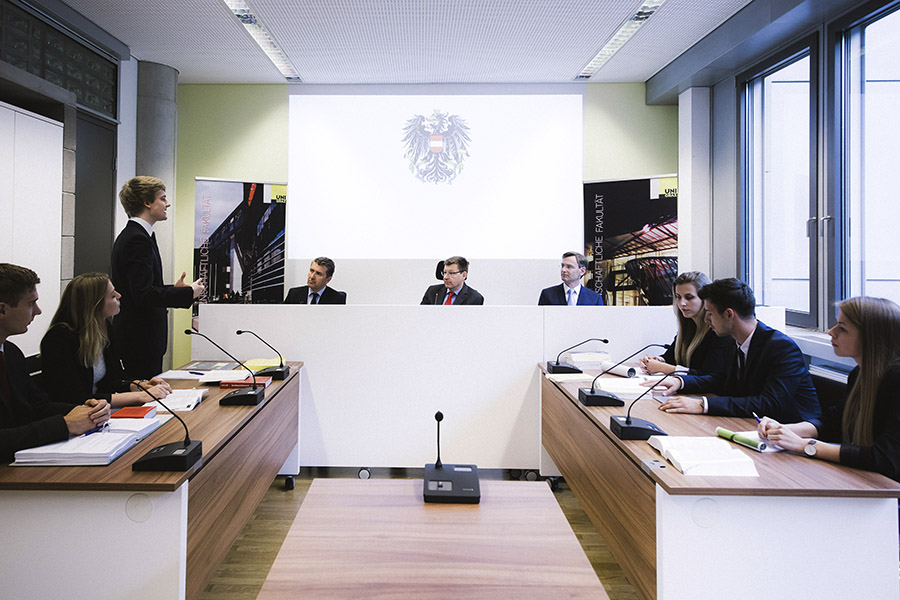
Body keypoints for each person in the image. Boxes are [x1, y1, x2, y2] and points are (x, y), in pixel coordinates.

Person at [759, 297, 900, 481]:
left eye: (842, 328)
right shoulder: (859, 374)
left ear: (871, 337)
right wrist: (784, 430)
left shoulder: (896, 378)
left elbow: (885, 458)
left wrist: (805, 446)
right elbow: (832, 423)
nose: (831, 332)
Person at [652, 278, 821, 425]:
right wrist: (681, 382)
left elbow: (770, 403)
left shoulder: (781, 348)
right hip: (750, 425)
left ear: (728, 314)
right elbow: (720, 380)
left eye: (709, 313)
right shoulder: (734, 342)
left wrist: (702, 404)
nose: (705, 319)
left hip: (791, 436)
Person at [0, 264, 109, 461]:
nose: (38, 311)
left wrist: (86, 409)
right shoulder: (57, 338)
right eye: (30, 304)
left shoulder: (11, 353)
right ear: (2, 309)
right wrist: (64, 424)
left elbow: (37, 406)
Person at [111, 176, 204, 379]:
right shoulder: (137, 239)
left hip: (142, 340)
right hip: (139, 341)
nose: (167, 203)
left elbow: (144, 287)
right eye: (162, 198)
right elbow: (143, 295)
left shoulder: (141, 235)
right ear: (147, 202)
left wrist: (175, 289)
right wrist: (188, 293)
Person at [40, 272, 173, 408]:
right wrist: (140, 396)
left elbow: (113, 380)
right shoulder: (58, 339)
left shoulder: (103, 328)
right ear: (95, 304)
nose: (119, 296)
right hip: (78, 417)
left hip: (102, 412)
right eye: (113, 295)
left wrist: (140, 385)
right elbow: (75, 398)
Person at [640, 271, 728, 376]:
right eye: (678, 297)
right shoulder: (687, 327)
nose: (682, 303)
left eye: (689, 297)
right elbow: (670, 357)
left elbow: (709, 375)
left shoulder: (718, 332)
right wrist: (657, 360)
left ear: (705, 299)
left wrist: (665, 368)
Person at [538, 252, 604, 306]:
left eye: (569, 267)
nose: (563, 270)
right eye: (562, 266)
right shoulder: (548, 294)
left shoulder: (594, 299)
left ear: (582, 271)